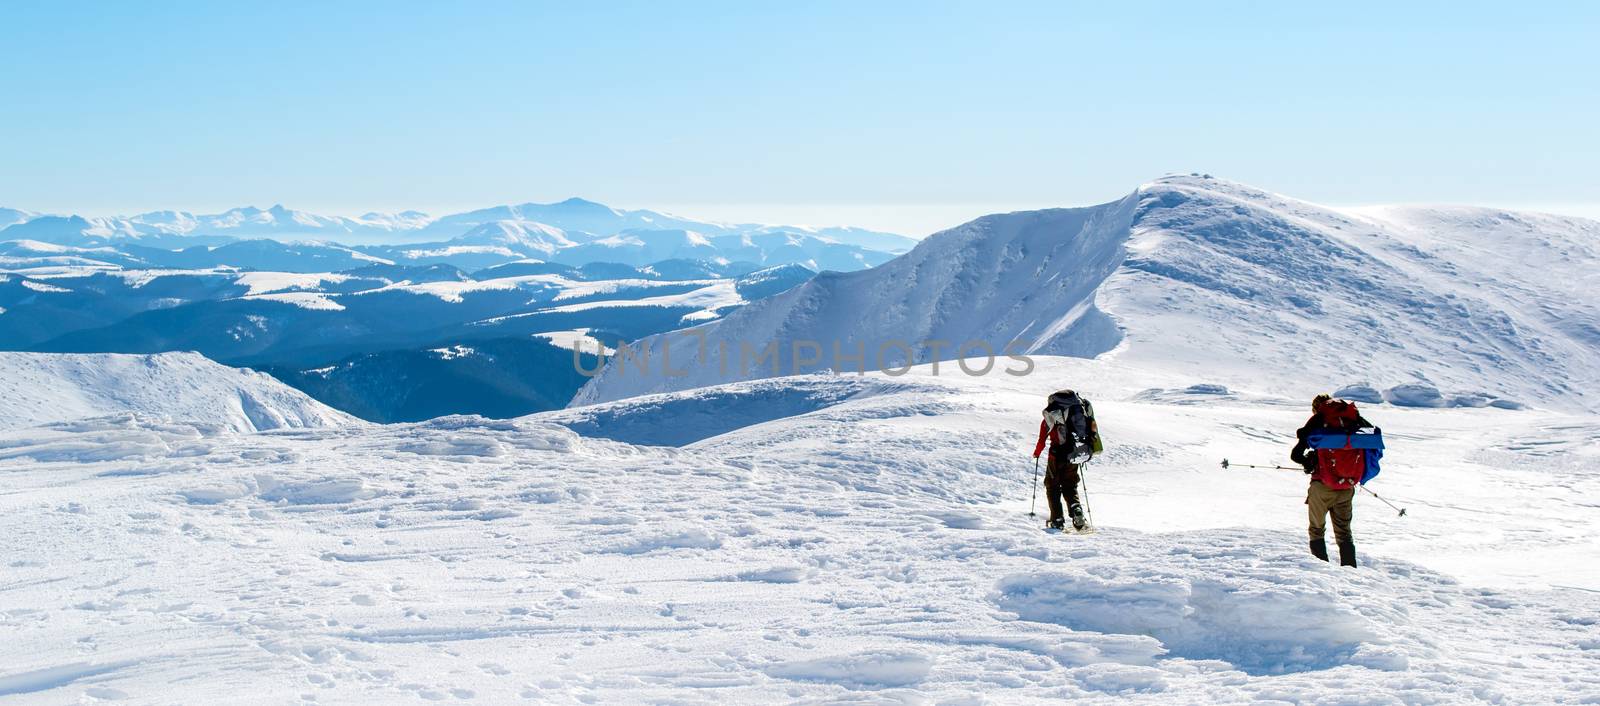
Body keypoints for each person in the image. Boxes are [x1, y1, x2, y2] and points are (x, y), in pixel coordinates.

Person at [1290, 393, 1373, 567]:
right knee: (1344, 533)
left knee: (1316, 530)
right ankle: (1350, 573)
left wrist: (1309, 462)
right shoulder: (1353, 418)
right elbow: (1371, 438)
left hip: (1322, 486)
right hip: (1347, 485)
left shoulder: (1318, 420)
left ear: (1316, 408)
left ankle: (1323, 572)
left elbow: (1295, 455)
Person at [1032, 391, 1096, 531]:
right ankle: (1076, 511)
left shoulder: (1052, 415)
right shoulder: (1080, 413)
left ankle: (1057, 519)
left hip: (1056, 456)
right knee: (1070, 485)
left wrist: (1036, 453)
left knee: (1052, 486)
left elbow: (1042, 439)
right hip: (1074, 454)